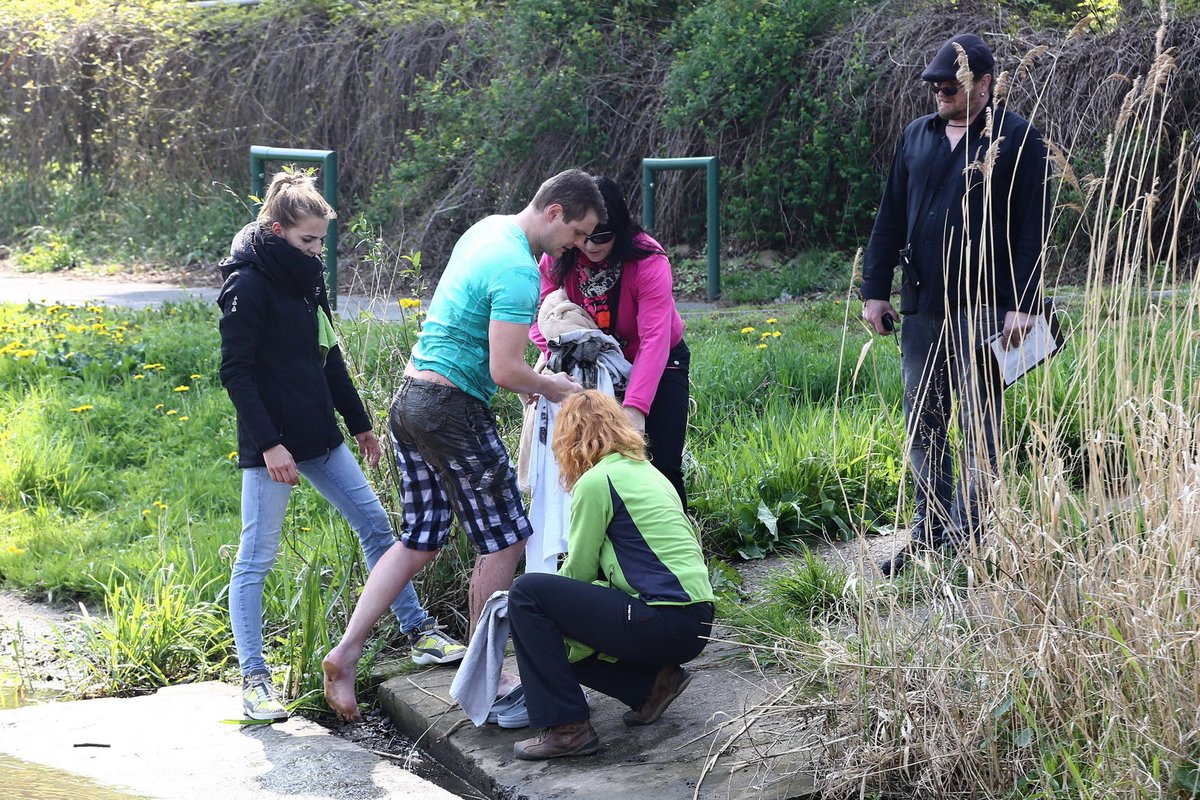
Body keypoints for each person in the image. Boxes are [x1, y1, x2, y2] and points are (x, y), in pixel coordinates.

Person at [322, 168, 605, 722]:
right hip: (451, 410)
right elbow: (505, 370)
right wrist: (553, 386)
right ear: (555, 213)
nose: (577, 245)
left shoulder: (487, 229)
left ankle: (346, 653)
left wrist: (526, 378)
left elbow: (483, 344)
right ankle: (487, 673)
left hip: (410, 402)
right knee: (505, 541)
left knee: (420, 539)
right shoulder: (519, 270)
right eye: (576, 232)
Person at [217, 172, 465, 722]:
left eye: (320, 242)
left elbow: (328, 354)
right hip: (271, 447)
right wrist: (271, 447)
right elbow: (236, 373)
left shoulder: (307, 277)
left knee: (378, 528)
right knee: (256, 557)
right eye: (307, 240)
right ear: (277, 230)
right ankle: (254, 681)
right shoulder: (248, 285)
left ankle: (419, 631)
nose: (316, 251)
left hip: (322, 437)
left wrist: (360, 424)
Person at [859, 34, 1050, 576]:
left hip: (987, 306)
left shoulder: (1016, 137)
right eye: (935, 86)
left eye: (952, 84)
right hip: (922, 305)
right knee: (923, 420)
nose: (940, 92)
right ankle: (929, 528)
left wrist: (1023, 303)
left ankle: (973, 536)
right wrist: (875, 289)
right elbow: (890, 215)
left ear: (985, 84)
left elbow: (1029, 227)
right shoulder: (916, 136)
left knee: (980, 422)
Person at [506, 390, 715, 760]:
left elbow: (580, 572)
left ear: (569, 440)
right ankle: (652, 686)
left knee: (527, 595)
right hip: (694, 620)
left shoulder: (597, 481)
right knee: (550, 619)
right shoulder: (648, 472)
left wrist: (546, 640)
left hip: (663, 618)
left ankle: (567, 729)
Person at [530, 176, 691, 508]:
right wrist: (549, 355)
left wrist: (634, 408)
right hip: (594, 365)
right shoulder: (561, 255)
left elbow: (655, 340)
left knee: (659, 463)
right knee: (594, 464)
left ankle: (677, 552)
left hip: (657, 362)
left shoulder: (648, 260)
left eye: (601, 235)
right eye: (581, 236)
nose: (589, 246)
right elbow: (546, 314)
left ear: (619, 226)